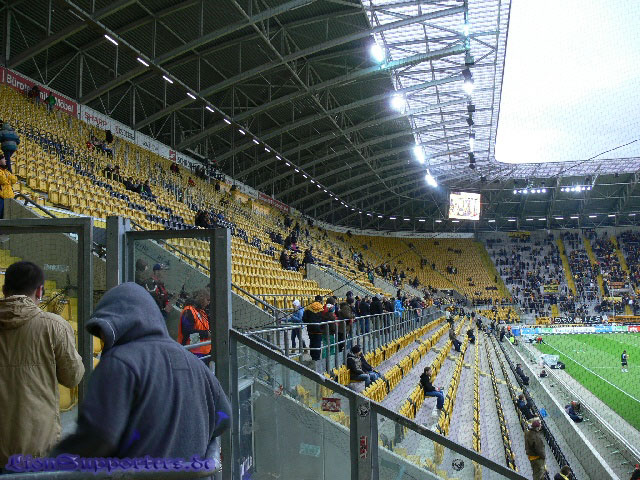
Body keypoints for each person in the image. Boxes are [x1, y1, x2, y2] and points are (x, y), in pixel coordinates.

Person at [50, 283, 231, 468]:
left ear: (117, 326)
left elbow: (97, 439)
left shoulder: (119, 363)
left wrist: (50, 464)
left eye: (103, 333)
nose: (103, 340)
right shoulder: (194, 363)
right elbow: (224, 418)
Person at [0, 261, 84, 468]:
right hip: (37, 445)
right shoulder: (54, 326)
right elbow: (72, 377)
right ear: (39, 291)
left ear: (4, 290)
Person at [178, 289, 211, 361]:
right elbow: (187, 333)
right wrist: (206, 334)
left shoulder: (202, 312)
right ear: (201, 297)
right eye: (208, 300)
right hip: (192, 352)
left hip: (203, 351)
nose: (208, 303)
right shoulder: (188, 311)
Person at [303, 295, 324, 361]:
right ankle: (317, 358)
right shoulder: (322, 308)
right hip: (319, 330)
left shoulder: (308, 307)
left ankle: (312, 357)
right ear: (321, 301)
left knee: (312, 342)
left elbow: (304, 319)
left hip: (310, 329)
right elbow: (324, 318)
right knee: (317, 344)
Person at [0, 155, 18, 219]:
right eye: (3, 159)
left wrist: (7, 177)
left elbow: (14, 180)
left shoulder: (6, 171)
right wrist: (8, 178)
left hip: (8, 197)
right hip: (1, 197)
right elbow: (2, 180)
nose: (5, 160)